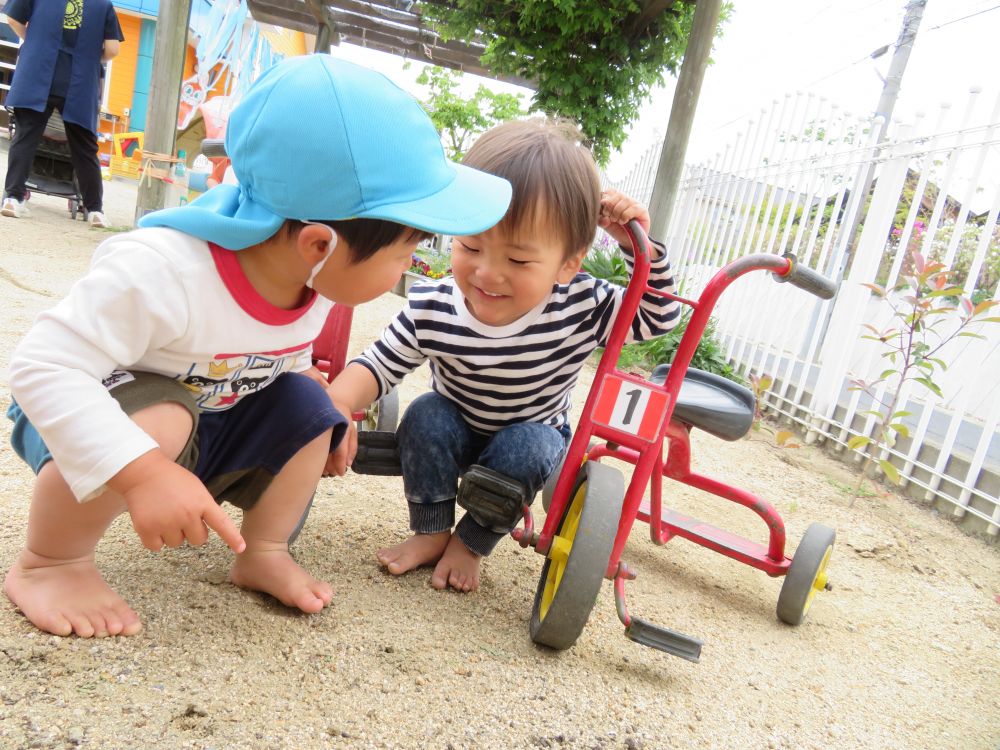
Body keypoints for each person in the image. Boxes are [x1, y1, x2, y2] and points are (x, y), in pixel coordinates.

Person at [3, 54, 512, 638]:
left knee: (313, 404)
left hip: (207, 427)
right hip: (94, 424)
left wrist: (319, 400)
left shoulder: (309, 280)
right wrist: (143, 474)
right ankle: (51, 562)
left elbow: (271, 351)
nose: (415, 266)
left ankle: (263, 550)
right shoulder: (164, 273)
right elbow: (43, 367)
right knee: (167, 417)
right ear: (319, 243)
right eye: (406, 252)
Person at [327, 119, 681, 593]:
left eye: (518, 260)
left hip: (531, 436)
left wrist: (639, 247)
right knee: (425, 413)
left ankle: (470, 541)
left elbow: (658, 317)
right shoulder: (435, 305)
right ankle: (431, 530)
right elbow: (377, 365)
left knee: (528, 447)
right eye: (470, 246)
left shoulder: (579, 304)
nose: (488, 274)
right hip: (456, 426)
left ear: (568, 263)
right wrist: (332, 404)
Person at [1, 0, 124, 227]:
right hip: (79, 78)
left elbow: (12, 18)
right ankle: (95, 210)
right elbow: (113, 48)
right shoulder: (103, 5)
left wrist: (34, 40)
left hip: (38, 69)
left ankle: (13, 198)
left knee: (26, 136)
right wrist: (94, 59)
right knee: (84, 147)